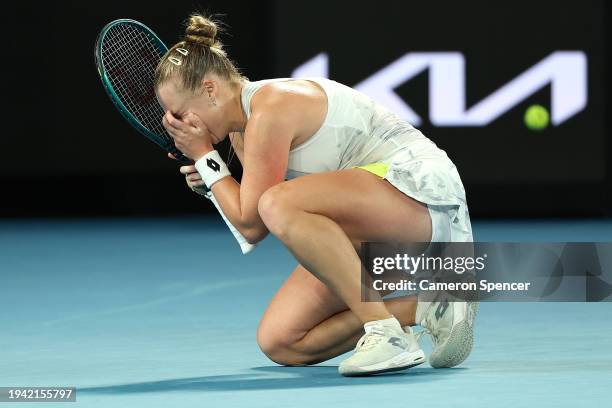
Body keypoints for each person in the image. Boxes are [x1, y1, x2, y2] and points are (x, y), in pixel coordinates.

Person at [155, 13, 478, 376]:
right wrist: (212, 176)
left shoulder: (271, 107)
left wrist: (205, 158)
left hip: (423, 200)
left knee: (278, 202)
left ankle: (387, 334)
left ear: (211, 90)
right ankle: (426, 308)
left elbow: (256, 215)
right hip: (377, 230)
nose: (176, 126)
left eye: (179, 113)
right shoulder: (241, 132)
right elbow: (252, 229)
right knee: (282, 340)